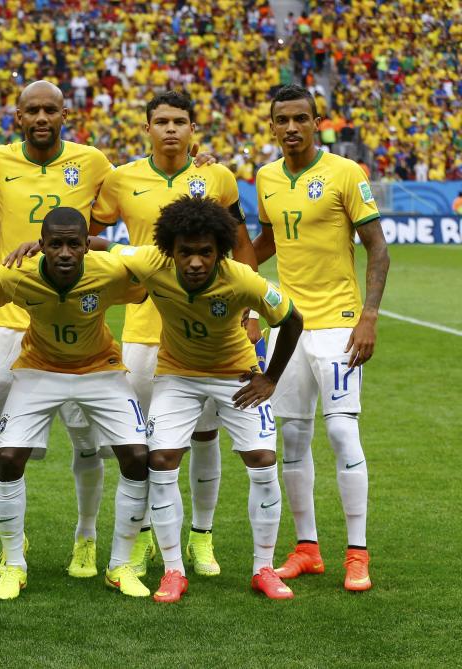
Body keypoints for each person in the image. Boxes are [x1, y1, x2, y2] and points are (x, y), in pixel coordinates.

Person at [89, 89, 259, 578]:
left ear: (192, 128)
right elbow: (90, 234)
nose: (170, 129)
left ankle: (202, 539)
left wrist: (251, 313)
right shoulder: (120, 179)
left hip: (213, 330)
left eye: (179, 121)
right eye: (161, 121)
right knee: (148, 446)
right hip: (144, 331)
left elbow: (241, 245)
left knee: (205, 437)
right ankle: (144, 539)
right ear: (147, 127)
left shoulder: (217, 176)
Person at [103, 196, 305, 602]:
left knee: (263, 460)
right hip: (177, 377)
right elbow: (99, 243)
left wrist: (270, 379)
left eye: (205, 253)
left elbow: (292, 320)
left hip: (236, 376)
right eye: (186, 253)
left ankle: (263, 568)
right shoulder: (150, 263)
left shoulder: (243, 279)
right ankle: (174, 571)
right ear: (169, 251)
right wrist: (39, 244)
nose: (195, 262)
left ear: (220, 251)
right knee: (161, 460)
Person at [254, 84, 389, 592]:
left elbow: (378, 249)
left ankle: (357, 552)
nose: (291, 127)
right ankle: (307, 548)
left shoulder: (345, 173)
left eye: (300, 119)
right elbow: (265, 242)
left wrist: (369, 315)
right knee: (291, 435)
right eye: (282, 120)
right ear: (272, 126)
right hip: (287, 323)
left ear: (316, 122)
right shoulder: (266, 177)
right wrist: (246, 296)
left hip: (338, 321)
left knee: (339, 432)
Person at [0, 80, 116, 579]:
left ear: (65, 114)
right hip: (15, 318)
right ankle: (10, 545)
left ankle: (86, 536)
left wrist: (199, 157)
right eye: (31, 110)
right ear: (17, 116)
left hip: (77, 317)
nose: (41, 118)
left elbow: (140, 203)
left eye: (50, 110)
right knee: (3, 443)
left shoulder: (94, 162)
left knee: (86, 439)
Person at [0, 207, 151, 600]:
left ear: (85, 246)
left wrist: (109, 247)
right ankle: (13, 564)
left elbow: (145, 281)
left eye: (73, 244)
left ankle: (120, 564)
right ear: (40, 246)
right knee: (7, 458)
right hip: (39, 369)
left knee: (138, 457)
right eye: (54, 244)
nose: (64, 252)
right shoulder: (17, 274)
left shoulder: (108, 271)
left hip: (99, 370)